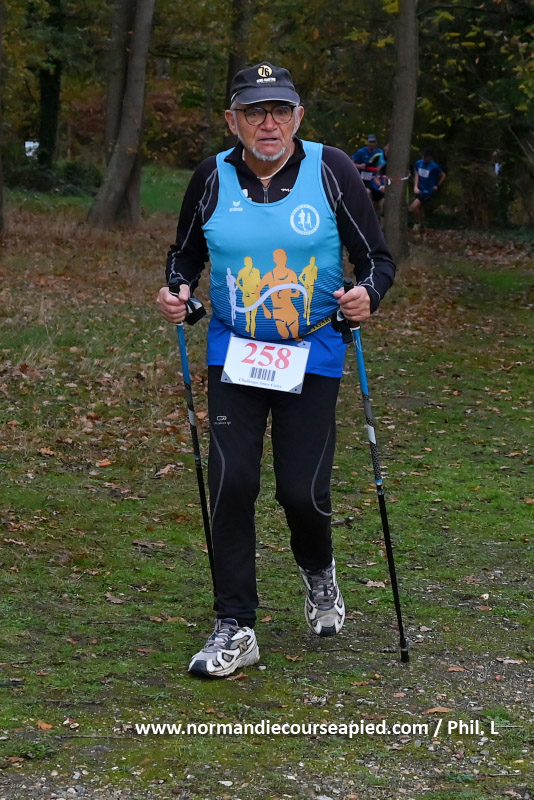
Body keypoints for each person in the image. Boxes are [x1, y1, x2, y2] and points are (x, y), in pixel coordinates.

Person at [156, 61, 396, 679]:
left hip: (312, 351)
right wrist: (177, 289)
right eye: (255, 112)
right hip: (234, 351)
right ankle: (236, 625)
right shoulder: (211, 175)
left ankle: (319, 571)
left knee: (301, 492)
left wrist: (366, 295)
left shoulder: (332, 168)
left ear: (299, 117)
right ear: (232, 120)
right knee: (232, 483)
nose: (269, 123)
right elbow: (184, 255)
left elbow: (376, 259)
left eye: (281, 111)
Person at [409, 149, 446, 229]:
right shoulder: (419, 163)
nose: (424, 159)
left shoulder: (434, 166)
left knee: (414, 206)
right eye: (423, 157)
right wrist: (415, 186)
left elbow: (443, 175)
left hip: (427, 190)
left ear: (430, 158)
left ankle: (418, 223)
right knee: (420, 207)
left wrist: (437, 185)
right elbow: (416, 174)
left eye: (426, 157)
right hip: (419, 189)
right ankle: (423, 225)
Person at [351, 134, 387, 207]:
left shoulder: (380, 152)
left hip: (376, 178)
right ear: (367, 142)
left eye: (373, 142)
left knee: (379, 198)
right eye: (370, 142)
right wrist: (359, 166)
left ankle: (377, 210)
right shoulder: (361, 152)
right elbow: (351, 163)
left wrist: (380, 168)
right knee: (367, 193)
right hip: (364, 179)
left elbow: (384, 164)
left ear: (376, 143)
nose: (372, 144)